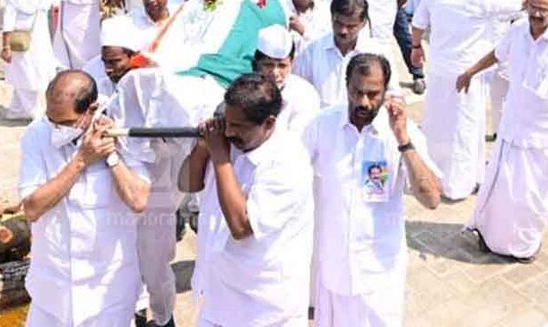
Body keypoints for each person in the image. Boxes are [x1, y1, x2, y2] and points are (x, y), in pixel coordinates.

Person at [304, 54, 440, 324]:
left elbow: (432, 198)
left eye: (373, 94)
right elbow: (292, 174)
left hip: (379, 273)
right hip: (334, 267)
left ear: (386, 91)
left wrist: (403, 139)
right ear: (347, 86)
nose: (364, 102)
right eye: (357, 92)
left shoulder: (402, 133)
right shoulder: (322, 125)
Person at [461, 0, 548, 262]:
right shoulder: (517, 30)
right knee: (502, 185)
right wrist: (470, 71)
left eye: (543, 8)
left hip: (544, 132)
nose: (537, 13)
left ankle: (524, 244)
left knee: (532, 193)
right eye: (533, 6)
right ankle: (491, 234)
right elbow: (497, 54)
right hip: (513, 126)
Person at [179, 74, 314, 326]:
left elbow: (241, 226)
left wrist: (220, 156)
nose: (229, 132)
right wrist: (202, 147)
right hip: (217, 298)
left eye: (239, 126)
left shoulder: (288, 161)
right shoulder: (226, 140)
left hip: (262, 309)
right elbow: (187, 184)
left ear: (269, 123)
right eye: (227, 122)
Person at [19, 70, 151, 326]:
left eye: (66, 123)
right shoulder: (37, 133)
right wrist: (81, 160)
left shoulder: (120, 129)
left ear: (91, 109)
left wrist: (111, 157)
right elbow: (32, 208)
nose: (57, 128)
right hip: (53, 287)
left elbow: (138, 200)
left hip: (107, 290)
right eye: (52, 119)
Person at [411, 0, 523, 201]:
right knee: (464, 128)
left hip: (439, 69)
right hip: (468, 74)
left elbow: (418, 24)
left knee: (436, 123)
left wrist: (416, 48)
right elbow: (519, 5)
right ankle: (456, 185)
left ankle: (429, 173)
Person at [294, 0, 387, 107]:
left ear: (363, 23)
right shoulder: (312, 50)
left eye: (351, 26)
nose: (343, 31)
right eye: (339, 23)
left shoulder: (377, 53)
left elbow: (391, 95)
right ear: (332, 17)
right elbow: (298, 90)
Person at [0, 0, 58, 120]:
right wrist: (6, 46)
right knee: (26, 74)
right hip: (23, 34)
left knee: (39, 70)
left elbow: (50, 3)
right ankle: (37, 115)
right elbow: (9, 15)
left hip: (41, 33)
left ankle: (17, 110)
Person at [253, 25, 321, 135]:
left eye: (282, 66)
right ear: (257, 63)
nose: (275, 73)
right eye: (268, 65)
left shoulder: (305, 94)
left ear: (292, 63)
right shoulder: (244, 88)